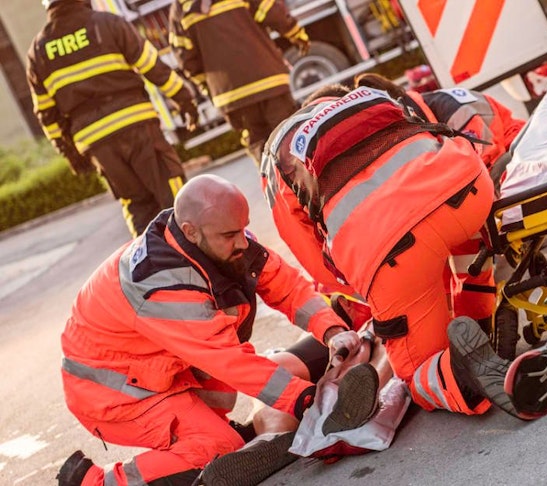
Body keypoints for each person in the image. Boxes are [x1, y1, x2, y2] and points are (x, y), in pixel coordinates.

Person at [55, 174, 381, 486]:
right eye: (229, 235)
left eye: (243, 229)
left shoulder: (213, 236)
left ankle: (209, 432)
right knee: (219, 448)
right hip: (116, 394)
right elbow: (230, 360)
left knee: (254, 386)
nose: (242, 242)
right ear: (191, 231)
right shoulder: (162, 285)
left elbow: (286, 285)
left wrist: (330, 329)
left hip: (160, 369)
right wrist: (305, 400)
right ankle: (96, 481)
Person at [265, 85, 547, 421]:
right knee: (468, 263)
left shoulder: (279, 154)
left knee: (416, 371)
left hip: (391, 246)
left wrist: (376, 296)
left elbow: (315, 260)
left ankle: (459, 376)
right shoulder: (368, 98)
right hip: (469, 190)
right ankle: (481, 323)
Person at [352, 73, 526, 329]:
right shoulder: (422, 119)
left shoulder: (453, 109)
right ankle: (459, 323)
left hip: (514, 153)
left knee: (466, 247)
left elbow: (484, 160)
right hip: (479, 169)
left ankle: (474, 324)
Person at [26, 0, 200, 237]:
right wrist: (184, 99)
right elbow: (152, 66)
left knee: (136, 204)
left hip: (96, 143)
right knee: (173, 194)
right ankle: (194, 252)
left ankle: (147, 257)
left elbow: (46, 113)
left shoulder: (38, 51)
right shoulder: (108, 24)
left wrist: (70, 153)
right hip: (137, 125)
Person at [168, 0, 309, 165]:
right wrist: (296, 34)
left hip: (230, 96)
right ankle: (306, 177)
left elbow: (185, 58)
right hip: (268, 80)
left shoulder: (180, 8)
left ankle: (274, 179)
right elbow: (271, 12)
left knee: (260, 147)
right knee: (290, 137)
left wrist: (207, 86)